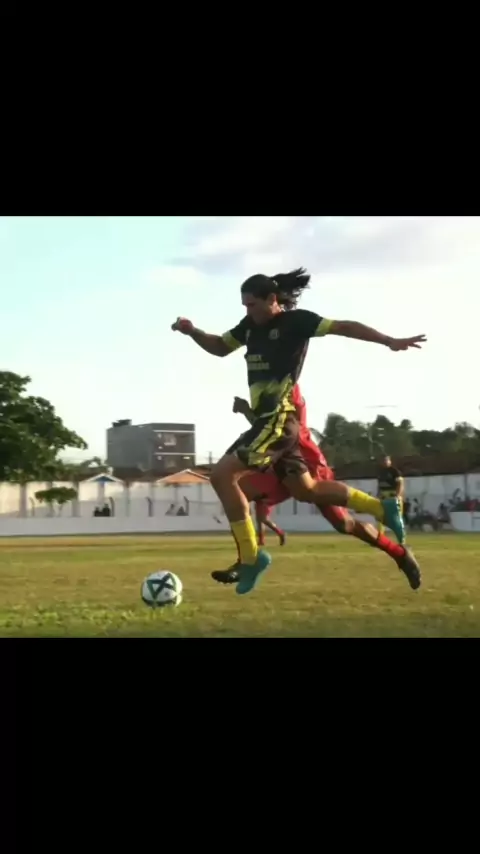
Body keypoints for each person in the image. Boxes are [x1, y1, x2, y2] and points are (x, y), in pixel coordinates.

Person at [172, 267, 426, 595]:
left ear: (272, 299)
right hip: (273, 431)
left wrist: (389, 341)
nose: (247, 311)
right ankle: (380, 513)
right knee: (293, 490)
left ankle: (250, 559)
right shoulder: (250, 326)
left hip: (283, 429)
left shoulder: (296, 324)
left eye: (251, 305)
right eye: (244, 306)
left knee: (227, 478)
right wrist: (192, 331)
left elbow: (343, 326)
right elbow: (221, 346)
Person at [212, 387, 421, 590]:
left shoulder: (286, 384)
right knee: (237, 489)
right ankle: (247, 559)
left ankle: (398, 551)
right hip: (279, 462)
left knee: (344, 524)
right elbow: (268, 429)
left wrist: (249, 413)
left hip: (305, 462)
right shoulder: (270, 384)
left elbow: (283, 428)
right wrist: (248, 412)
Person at [377, 455, 405, 540]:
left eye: (386, 460)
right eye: (383, 460)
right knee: (380, 515)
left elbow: (400, 484)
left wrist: (397, 495)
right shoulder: (380, 472)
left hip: (392, 495)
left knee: (397, 517)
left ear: (390, 461)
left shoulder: (395, 471)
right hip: (383, 496)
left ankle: (401, 538)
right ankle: (380, 537)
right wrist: (378, 494)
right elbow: (379, 485)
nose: (384, 462)